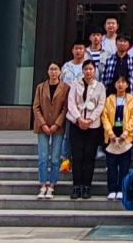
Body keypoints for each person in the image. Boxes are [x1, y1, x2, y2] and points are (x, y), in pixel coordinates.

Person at [66, 59, 106, 200]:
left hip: (92, 126)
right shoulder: (75, 84)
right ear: (82, 71)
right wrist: (79, 119)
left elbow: (101, 105)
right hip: (76, 125)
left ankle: (86, 186)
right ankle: (76, 186)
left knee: (89, 156)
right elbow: (71, 103)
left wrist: (90, 120)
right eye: (86, 69)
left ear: (95, 71)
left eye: (91, 69)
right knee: (77, 156)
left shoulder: (100, 87)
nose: (88, 71)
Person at [32, 61, 68, 199]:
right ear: (48, 71)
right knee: (43, 157)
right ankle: (42, 185)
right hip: (42, 126)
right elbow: (36, 107)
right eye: (51, 69)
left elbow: (65, 108)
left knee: (55, 158)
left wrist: (57, 124)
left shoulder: (65, 88)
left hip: (57, 127)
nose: (53, 72)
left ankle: (52, 185)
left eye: (56, 69)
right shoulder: (41, 87)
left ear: (60, 72)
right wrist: (43, 124)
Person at [101, 74, 133, 200]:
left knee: (124, 166)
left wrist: (126, 132)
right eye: (118, 82)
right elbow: (104, 117)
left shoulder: (132, 99)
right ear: (114, 84)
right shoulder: (109, 99)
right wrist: (110, 133)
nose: (120, 84)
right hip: (111, 136)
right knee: (111, 165)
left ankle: (122, 190)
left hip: (125, 137)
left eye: (123, 82)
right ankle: (112, 189)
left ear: (127, 84)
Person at [58, 41, 87, 173]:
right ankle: (65, 161)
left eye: (81, 48)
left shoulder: (88, 66)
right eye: (76, 48)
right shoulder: (66, 67)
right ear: (72, 50)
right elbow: (61, 84)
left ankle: (80, 161)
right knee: (67, 135)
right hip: (68, 105)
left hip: (84, 106)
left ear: (85, 50)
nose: (78, 51)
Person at [102, 34, 133, 98]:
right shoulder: (109, 59)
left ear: (128, 44)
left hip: (128, 97)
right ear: (116, 43)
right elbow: (104, 79)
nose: (122, 43)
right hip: (111, 96)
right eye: (120, 41)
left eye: (125, 41)